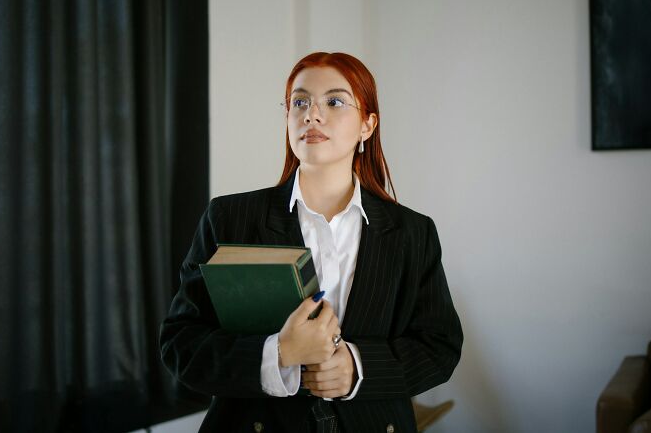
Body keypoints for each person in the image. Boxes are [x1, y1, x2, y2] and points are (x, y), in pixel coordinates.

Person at [160, 52, 463, 432]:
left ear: (367, 125)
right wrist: (279, 354)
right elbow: (180, 342)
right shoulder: (228, 219)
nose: (311, 115)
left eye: (334, 101)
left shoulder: (413, 232)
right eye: (299, 102)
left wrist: (358, 368)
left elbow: (440, 346)